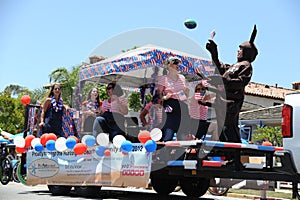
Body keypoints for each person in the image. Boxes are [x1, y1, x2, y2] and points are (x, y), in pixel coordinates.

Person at [205, 25, 258, 143]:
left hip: (231, 103)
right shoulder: (234, 66)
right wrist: (214, 54)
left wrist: (221, 81)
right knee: (222, 131)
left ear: (247, 52)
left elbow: (240, 82)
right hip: (222, 102)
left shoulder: (246, 66)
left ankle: (235, 158)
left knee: (229, 129)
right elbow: (220, 69)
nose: (238, 51)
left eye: (241, 49)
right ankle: (228, 157)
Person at [157, 56, 190, 141]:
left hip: (182, 106)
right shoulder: (163, 79)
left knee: (182, 135)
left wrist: (187, 93)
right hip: (170, 106)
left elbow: (186, 94)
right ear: (169, 66)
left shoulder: (182, 78)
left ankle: (180, 154)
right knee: (168, 134)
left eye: (178, 63)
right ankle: (163, 153)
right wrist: (164, 97)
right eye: (175, 63)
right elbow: (158, 97)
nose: (178, 65)